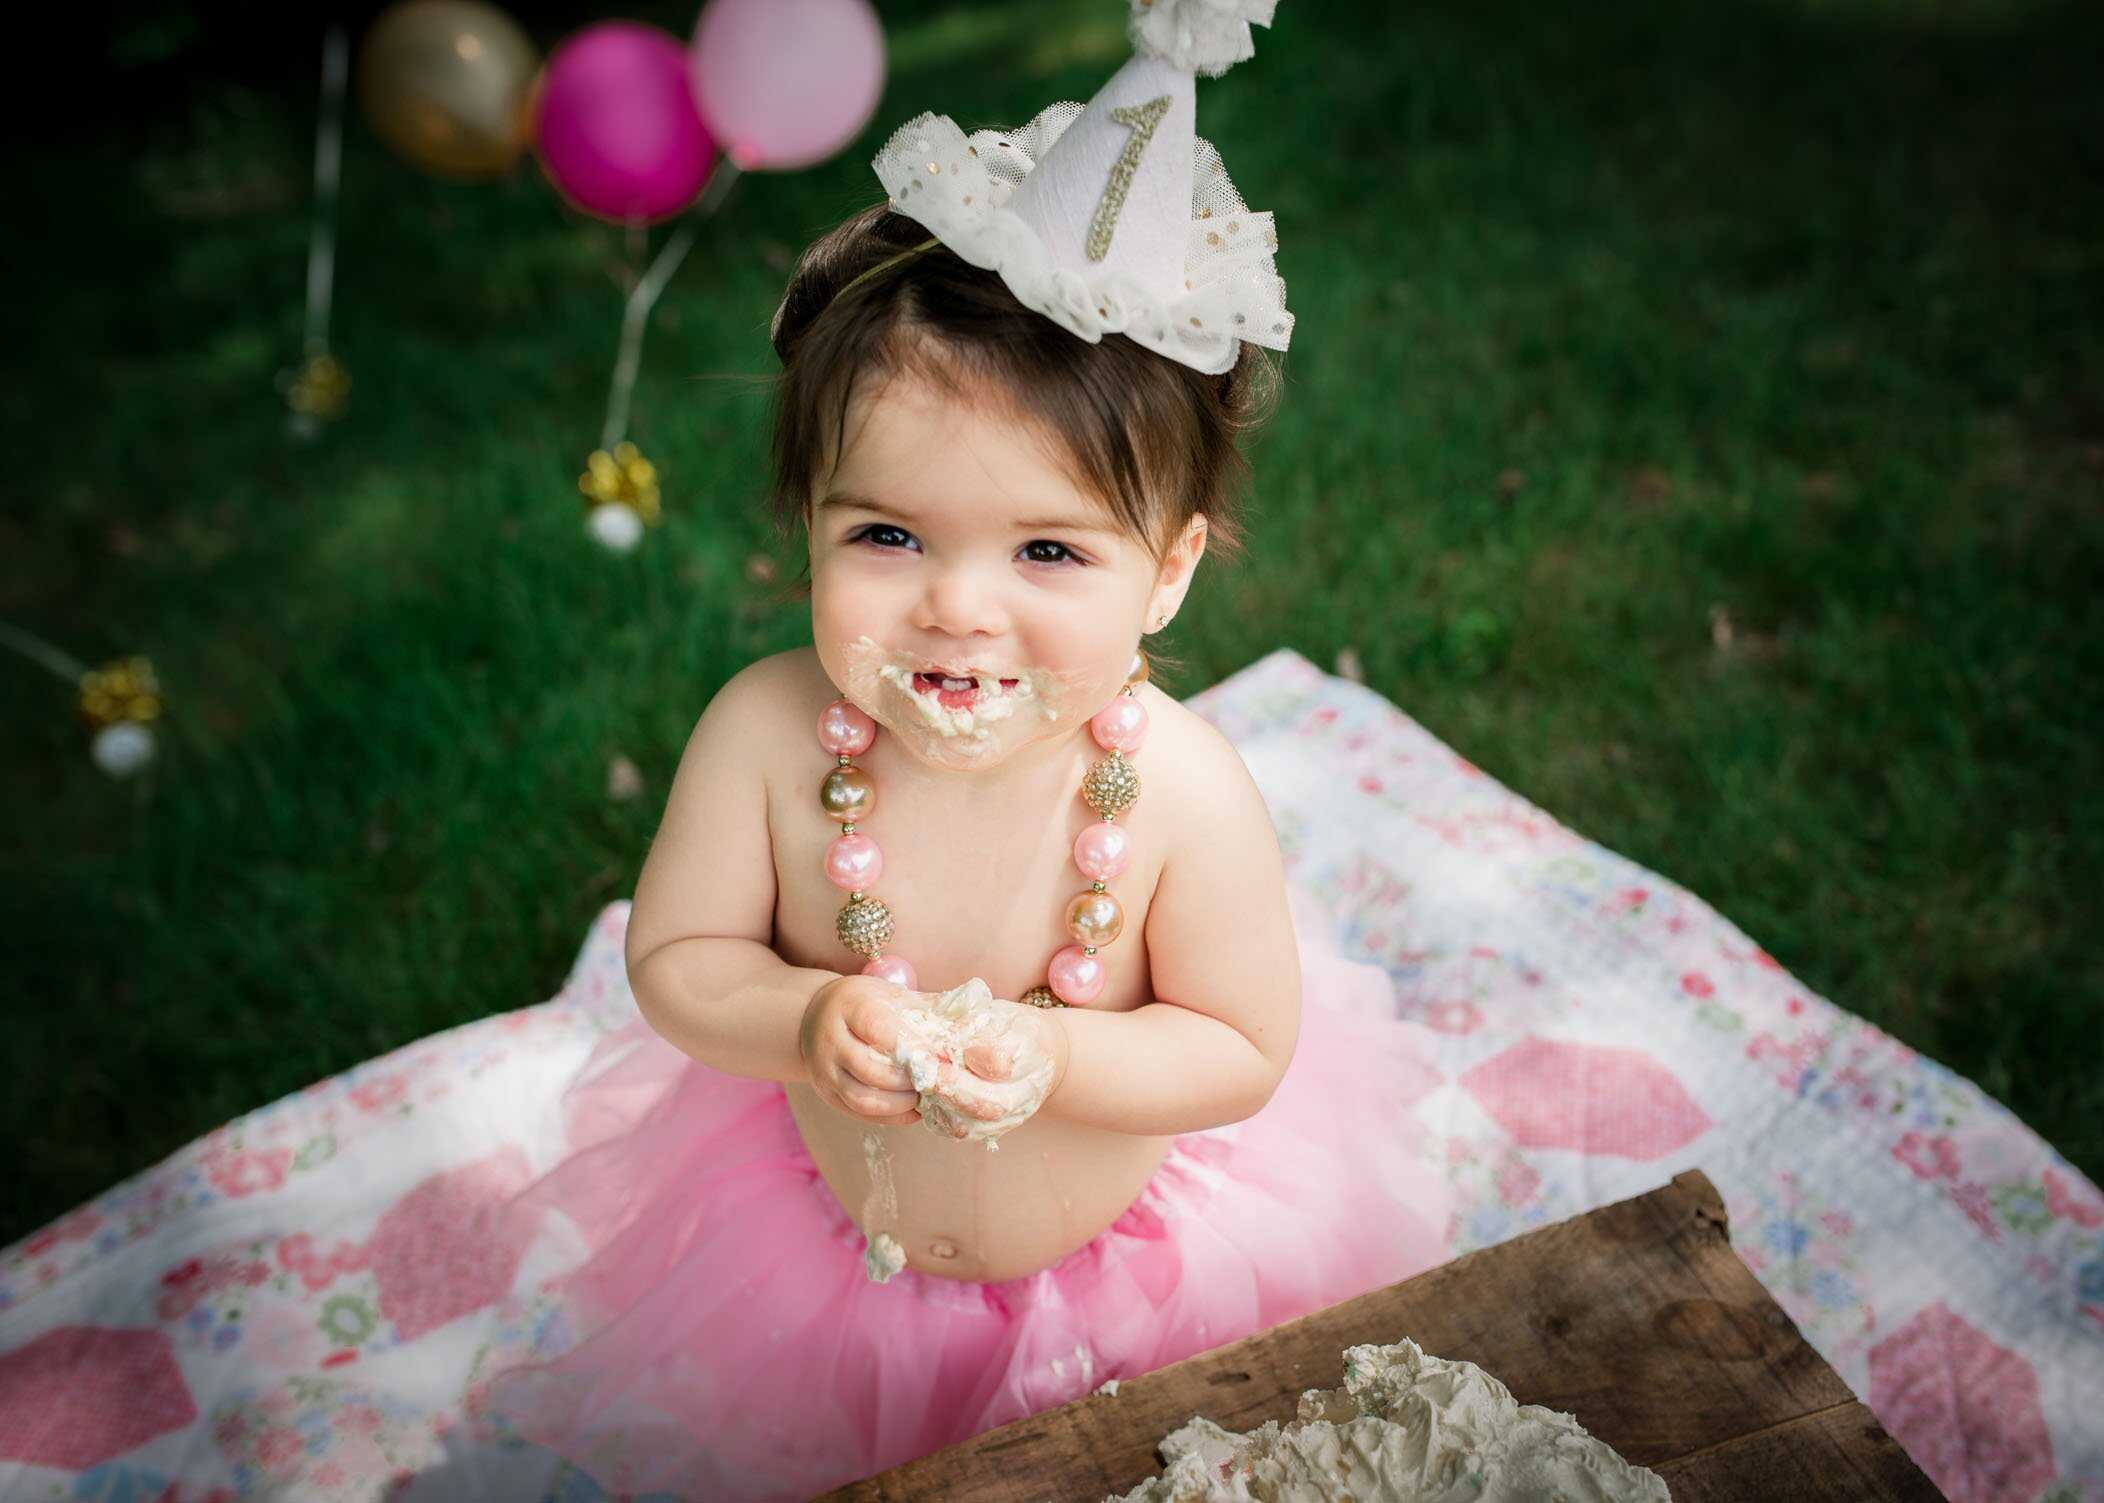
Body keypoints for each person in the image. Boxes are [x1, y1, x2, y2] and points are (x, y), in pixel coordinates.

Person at [478, 1, 1452, 1494]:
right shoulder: (764, 735)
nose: (957, 608)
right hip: (828, 1276)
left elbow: (1241, 1045)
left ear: (1170, 570)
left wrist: (1056, 1052)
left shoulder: (1181, 789)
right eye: (887, 534)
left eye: (1048, 552)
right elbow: (677, 961)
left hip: (1136, 1279)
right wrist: (804, 1018)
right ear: (807, 521)